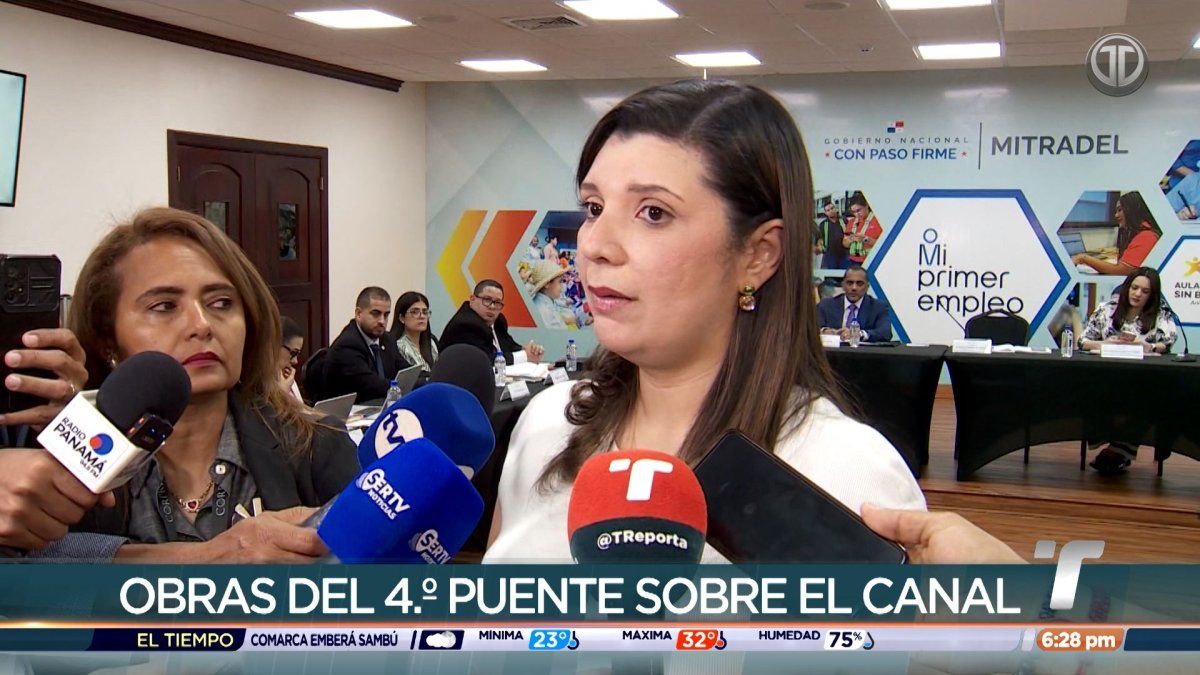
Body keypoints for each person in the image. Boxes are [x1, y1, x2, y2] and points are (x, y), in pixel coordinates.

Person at [485, 79, 923, 563]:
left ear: (758, 254)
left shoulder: (847, 474)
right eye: (594, 208)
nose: (593, 245)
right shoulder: (547, 423)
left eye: (653, 213)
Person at [22, 207, 353, 561]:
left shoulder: (319, 446)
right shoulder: (56, 455)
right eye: (164, 306)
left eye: (221, 302)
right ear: (108, 339)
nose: (202, 324)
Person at [1079, 267, 1177, 475]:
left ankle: (1116, 451)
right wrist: (1104, 343)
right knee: (1091, 391)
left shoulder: (1161, 316)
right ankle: (1115, 451)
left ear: (1152, 295)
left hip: (1142, 381)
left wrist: (1148, 347)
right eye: (1134, 288)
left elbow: (1167, 344)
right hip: (1106, 378)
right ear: (1126, 288)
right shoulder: (1107, 310)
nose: (1137, 294)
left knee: (1149, 401)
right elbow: (1083, 341)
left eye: (1145, 291)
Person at [325, 287, 406, 403]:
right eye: (376, 314)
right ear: (358, 314)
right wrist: (405, 386)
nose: (382, 321)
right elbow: (372, 385)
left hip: (377, 406)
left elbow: (406, 369)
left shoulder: (386, 339)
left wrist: (428, 379)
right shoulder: (347, 345)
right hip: (351, 414)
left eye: (386, 315)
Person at [440, 280, 544, 364]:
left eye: (497, 302)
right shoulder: (465, 324)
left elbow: (508, 345)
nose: (492, 306)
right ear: (472, 299)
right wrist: (525, 355)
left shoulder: (498, 320)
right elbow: (486, 359)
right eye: (487, 299)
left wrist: (527, 349)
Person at [1072, 192, 1161, 275]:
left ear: (1132, 210)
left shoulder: (1147, 236)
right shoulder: (1141, 233)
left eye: (1120, 210)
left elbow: (1121, 271)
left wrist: (1083, 258)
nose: (1116, 215)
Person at [817, 266, 893, 342]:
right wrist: (824, 331)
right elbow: (811, 328)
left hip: (863, 352)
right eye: (850, 283)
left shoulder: (878, 307)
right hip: (833, 352)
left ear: (867, 287)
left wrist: (858, 334)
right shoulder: (826, 305)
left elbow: (886, 333)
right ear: (843, 285)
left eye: (859, 283)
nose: (854, 288)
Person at [529, 260, 592, 330]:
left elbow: (558, 318)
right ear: (547, 284)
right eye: (560, 281)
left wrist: (576, 320)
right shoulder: (544, 312)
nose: (562, 286)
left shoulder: (546, 301)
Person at [387, 291, 439, 374]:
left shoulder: (432, 341)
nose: (421, 316)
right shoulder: (395, 346)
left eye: (425, 312)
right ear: (402, 318)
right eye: (415, 312)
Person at [842, 193, 881, 265]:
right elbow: (844, 244)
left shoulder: (878, 221)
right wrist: (850, 240)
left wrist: (865, 239)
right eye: (853, 212)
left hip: (872, 261)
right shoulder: (851, 222)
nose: (856, 214)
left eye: (858, 210)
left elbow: (884, 245)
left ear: (866, 205)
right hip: (853, 262)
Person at [816, 201, 849, 269]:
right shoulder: (823, 224)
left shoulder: (844, 221)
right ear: (825, 213)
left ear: (835, 208)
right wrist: (820, 247)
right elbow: (819, 239)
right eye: (828, 210)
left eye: (832, 208)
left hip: (845, 255)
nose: (831, 211)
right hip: (830, 256)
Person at [279, 316, 304, 401]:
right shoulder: (256, 386)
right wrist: (281, 396)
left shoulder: (287, 378)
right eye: (293, 353)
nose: (295, 361)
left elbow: (301, 408)